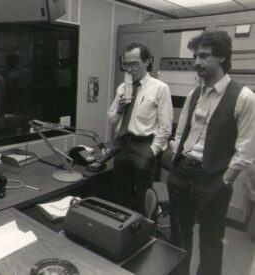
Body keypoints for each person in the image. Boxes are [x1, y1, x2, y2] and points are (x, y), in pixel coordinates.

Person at [166, 30, 255, 275]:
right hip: (183, 172)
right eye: (195, 56)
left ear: (222, 57)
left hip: (213, 179)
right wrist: (177, 159)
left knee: (211, 241)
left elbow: (246, 150)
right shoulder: (195, 93)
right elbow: (182, 129)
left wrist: (224, 181)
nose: (196, 62)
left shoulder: (244, 97)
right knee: (179, 235)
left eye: (203, 56)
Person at [107, 42, 173, 214]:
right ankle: (120, 231)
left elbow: (165, 128)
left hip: (144, 146)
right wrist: (120, 110)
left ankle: (144, 234)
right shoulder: (123, 87)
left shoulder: (160, 88)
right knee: (119, 195)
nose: (129, 69)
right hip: (122, 145)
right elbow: (112, 120)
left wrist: (152, 152)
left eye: (134, 64)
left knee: (144, 199)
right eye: (126, 64)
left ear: (147, 62)